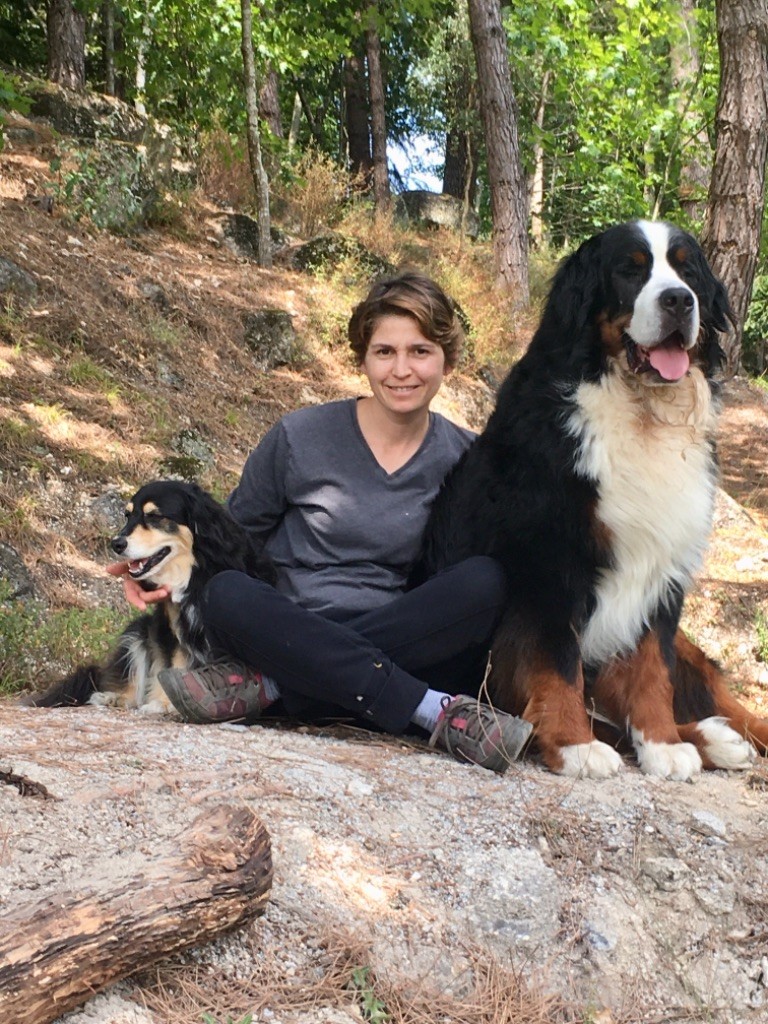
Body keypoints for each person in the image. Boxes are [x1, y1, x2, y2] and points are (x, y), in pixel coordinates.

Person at [109, 271, 531, 772]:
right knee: (226, 593)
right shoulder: (299, 437)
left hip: (397, 631)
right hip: (283, 625)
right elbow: (228, 543)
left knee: (486, 580)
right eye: (384, 352)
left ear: (447, 360)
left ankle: (273, 689)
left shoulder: (468, 458)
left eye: (420, 351)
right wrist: (149, 575)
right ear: (363, 358)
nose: (402, 370)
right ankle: (427, 708)